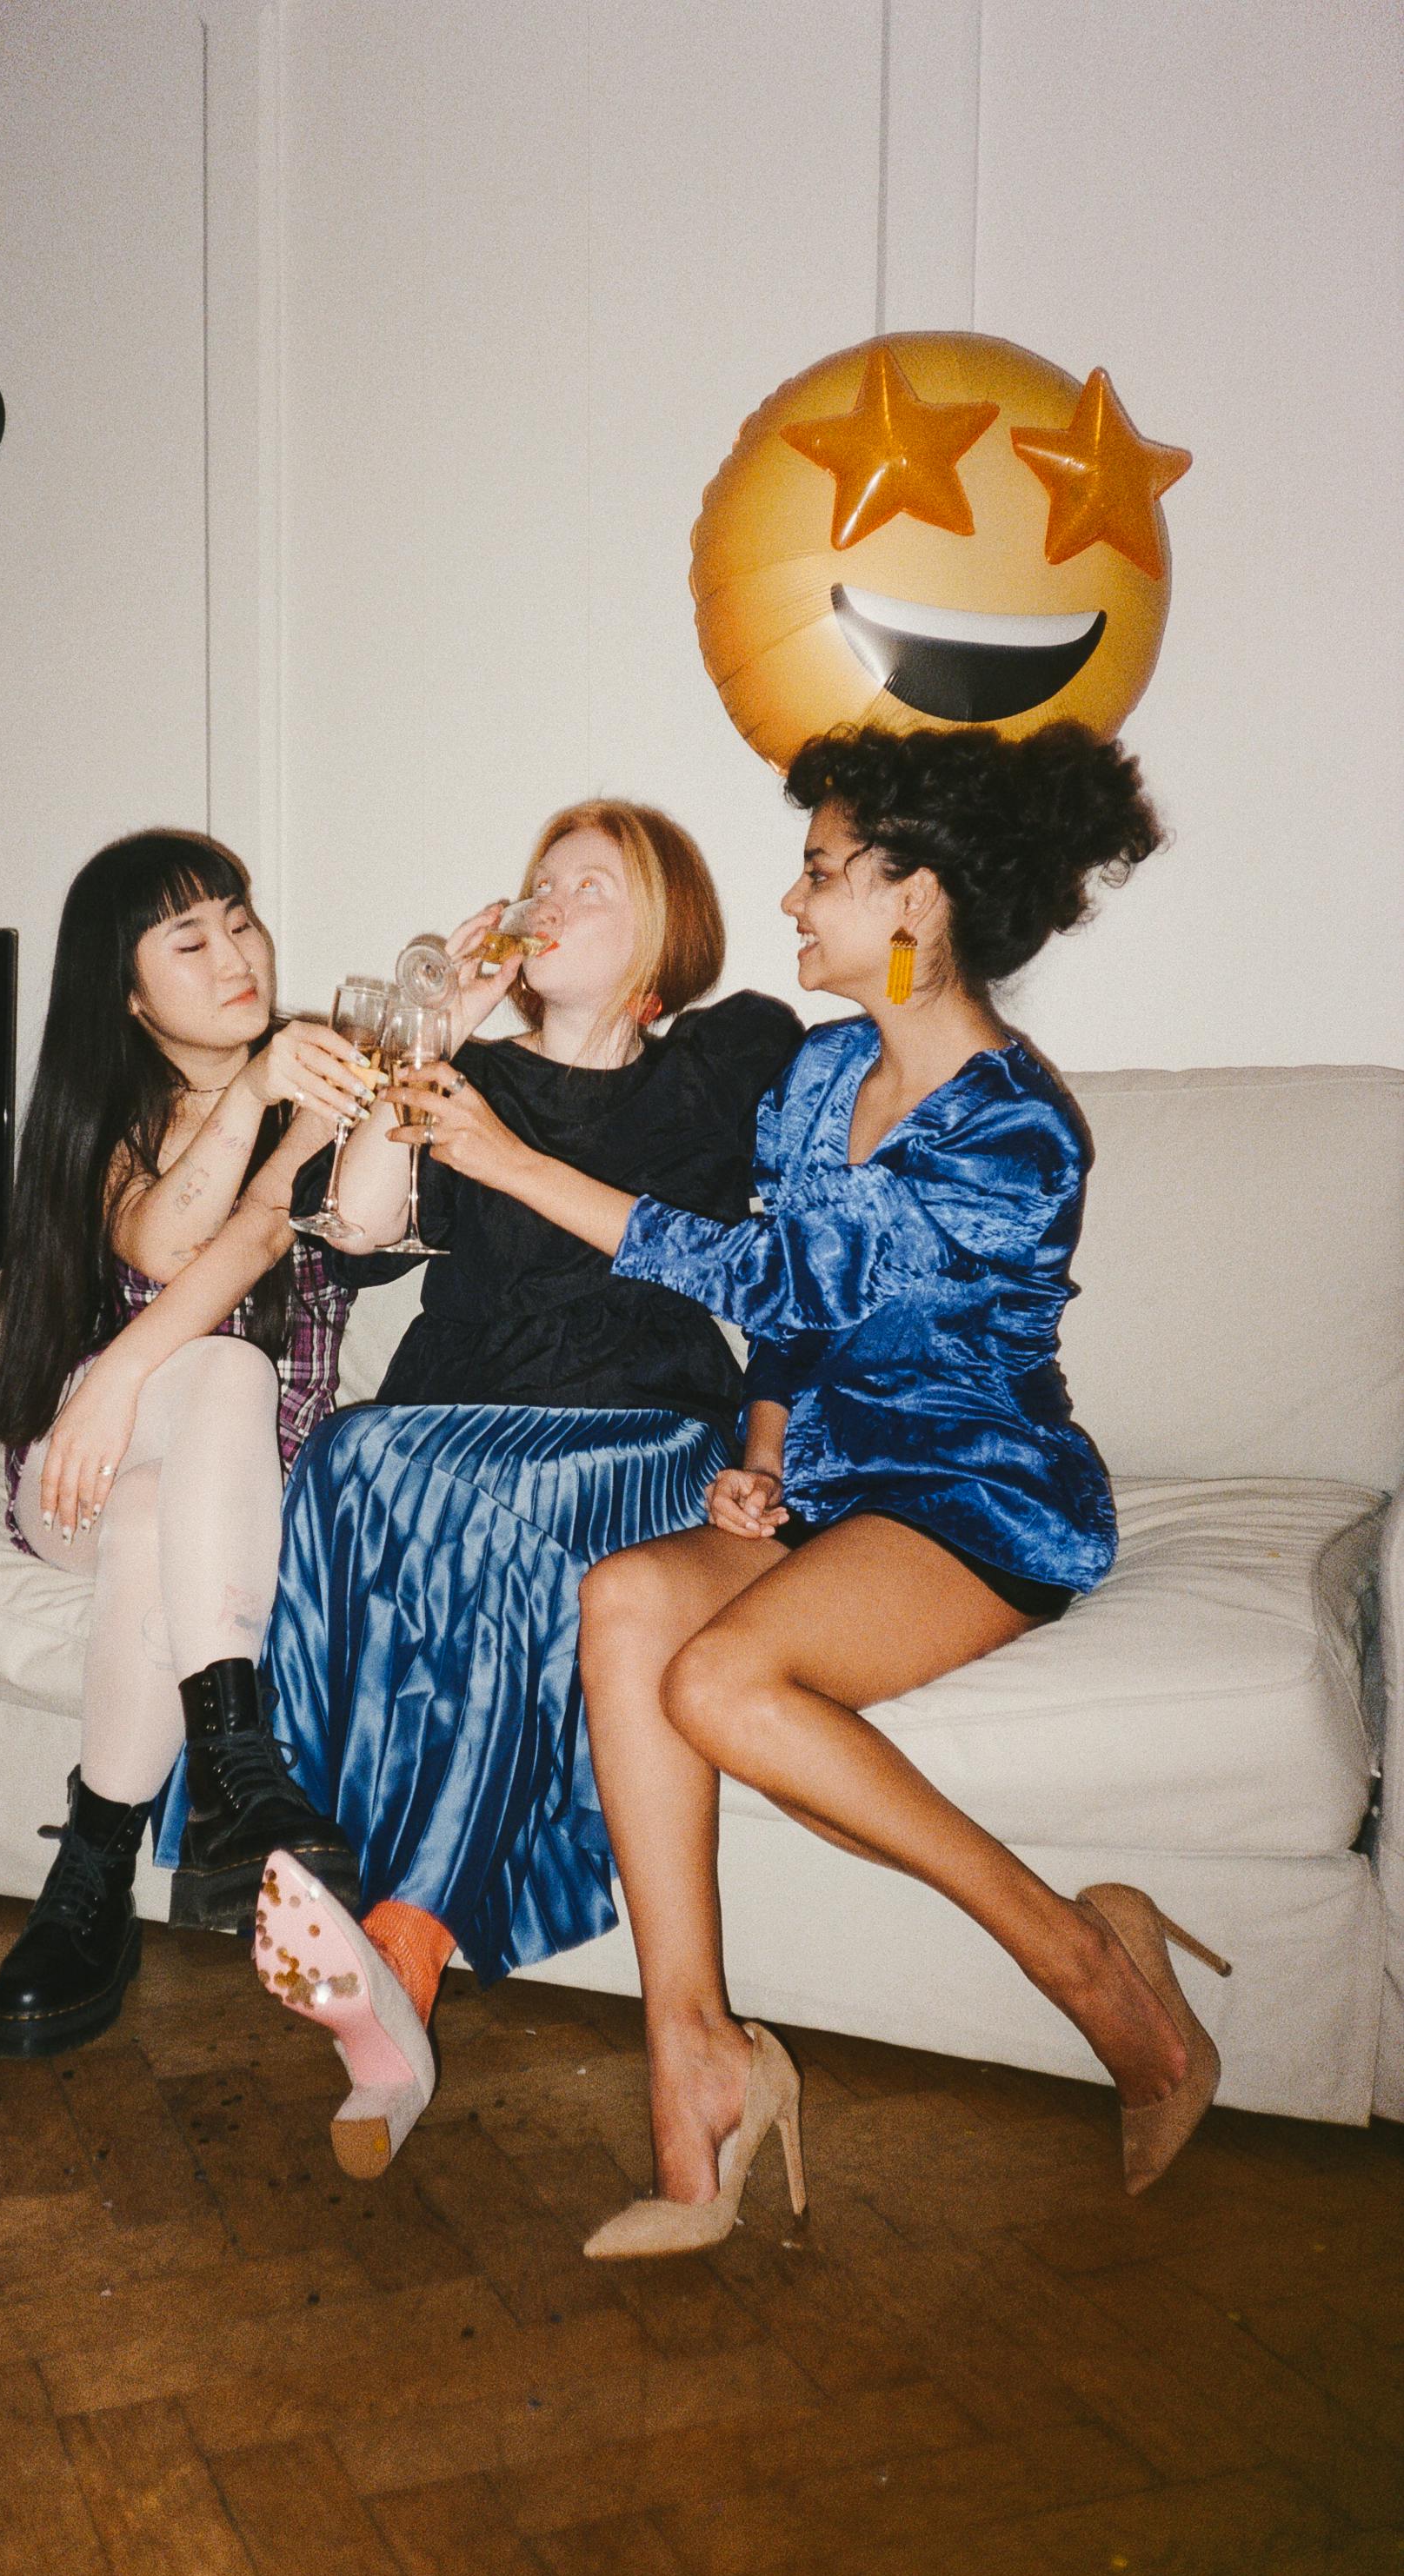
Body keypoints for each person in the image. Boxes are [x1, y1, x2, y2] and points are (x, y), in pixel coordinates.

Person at [392, 722, 1233, 2255]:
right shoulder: (821, 1070)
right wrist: (761, 1465)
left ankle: (1089, 1969)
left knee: (718, 1679)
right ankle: (692, 2067)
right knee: (626, 1597)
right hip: (831, 1485)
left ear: (915, 902)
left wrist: (510, 1162)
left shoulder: (1014, 1131)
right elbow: (784, 1326)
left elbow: (771, 1262)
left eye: (825, 871)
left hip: (977, 1490)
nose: (794, 901)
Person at [250, 801, 803, 2176]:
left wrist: (765, 1457)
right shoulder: (464, 1071)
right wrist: (432, 1034)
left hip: (628, 1435)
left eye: (591, 887)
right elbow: (363, 1227)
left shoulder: (726, 1062)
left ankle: (404, 1949)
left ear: (662, 934)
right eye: (537, 880)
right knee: (350, 1453)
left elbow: (784, 1273)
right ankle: (337, 1885)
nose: (547, 900)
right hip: (450, 1421)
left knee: (504, 1528)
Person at [0, 828, 375, 2057]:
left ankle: (95, 1862)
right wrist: (108, 1390)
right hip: (73, 1474)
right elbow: (160, 1243)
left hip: (217, 1498)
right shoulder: (101, 1113)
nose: (236, 952)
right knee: (213, 1370)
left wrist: (427, 1020)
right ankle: (237, 1760)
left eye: (241, 918)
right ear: (129, 989)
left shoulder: (321, 1077)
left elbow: (277, 1234)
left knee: (189, 1451)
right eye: (188, 938)